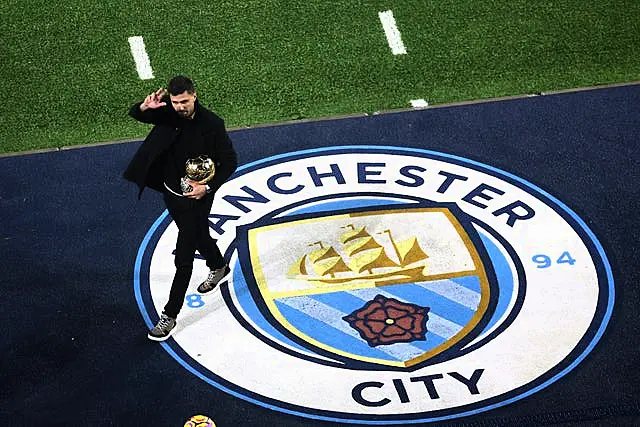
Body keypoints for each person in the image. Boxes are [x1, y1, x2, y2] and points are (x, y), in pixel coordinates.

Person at [124, 75, 237, 341]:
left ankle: (169, 316)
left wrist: (206, 189)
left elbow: (230, 161)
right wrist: (144, 107)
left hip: (197, 198)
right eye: (175, 102)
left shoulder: (212, 124)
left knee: (183, 257)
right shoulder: (168, 112)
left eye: (184, 101)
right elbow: (136, 114)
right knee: (199, 235)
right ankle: (219, 266)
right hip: (171, 192)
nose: (180, 107)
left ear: (194, 96)